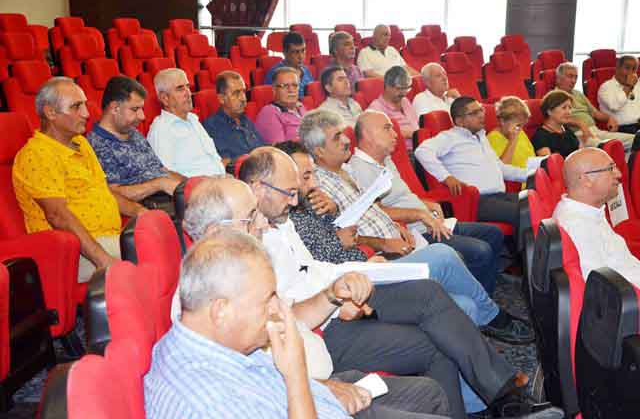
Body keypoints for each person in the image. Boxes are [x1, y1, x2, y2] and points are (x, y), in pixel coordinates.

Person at [238, 147, 562, 419]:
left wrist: (359, 268)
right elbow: (287, 307)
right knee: (434, 340)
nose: (295, 201)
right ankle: (505, 399)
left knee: (428, 292)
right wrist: (336, 300)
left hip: (335, 297)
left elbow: (312, 268)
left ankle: (506, 397)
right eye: (289, 192)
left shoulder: (280, 220)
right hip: (321, 327)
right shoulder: (244, 242)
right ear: (258, 188)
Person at [171, 177, 454, 418]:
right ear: (216, 233)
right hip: (306, 395)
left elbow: (269, 353)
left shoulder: (239, 277)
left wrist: (331, 295)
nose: (263, 224)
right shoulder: (205, 302)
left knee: (430, 392)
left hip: (314, 382)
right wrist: (314, 387)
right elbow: (259, 389)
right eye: (251, 217)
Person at [300, 109, 531, 340]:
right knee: (444, 254)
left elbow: (372, 211)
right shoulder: (318, 188)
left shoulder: (345, 171)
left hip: (400, 243)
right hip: (378, 261)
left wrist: (397, 226)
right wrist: (382, 243)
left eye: (343, 133)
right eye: (337, 137)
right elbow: (337, 240)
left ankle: (481, 327)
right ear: (319, 150)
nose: (346, 140)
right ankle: (495, 318)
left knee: (467, 305)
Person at [145, 231, 348, 419]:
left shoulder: (213, 340)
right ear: (221, 310)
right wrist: (297, 374)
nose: (276, 308)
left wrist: (320, 391)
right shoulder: (209, 405)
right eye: (267, 299)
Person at [349, 110, 505, 294]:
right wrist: (420, 214)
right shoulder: (359, 169)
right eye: (387, 128)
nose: (395, 134)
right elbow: (375, 212)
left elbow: (403, 197)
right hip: (416, 231)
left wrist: (428, 205)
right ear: (367, 134)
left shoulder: (385, 159)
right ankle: (475, 297)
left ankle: (480, 286)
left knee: (493, 233)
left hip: (429, 221)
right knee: (481, 250)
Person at [12, 77, 143, 282]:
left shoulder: (80, 143)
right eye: (76, 107)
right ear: (51, 112)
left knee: (164, 232)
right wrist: (103, 260)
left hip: (109, 237)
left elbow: (104, 192)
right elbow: (58, 216)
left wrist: (142, 213)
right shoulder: (37, 154)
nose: (86, 113)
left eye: (84, 105)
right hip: (75, 252)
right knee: (154, 248)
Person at [414, 97, 528, 236]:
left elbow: (501, 168)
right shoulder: (450, 137)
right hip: (478, 201)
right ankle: (530, 250)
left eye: (481, 110)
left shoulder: (481, 137)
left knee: (534, 203)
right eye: (474, 113)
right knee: (525, 212)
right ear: (459, 121)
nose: (481, 115)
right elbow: (422, 151)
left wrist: (533, 173)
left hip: (499, 196)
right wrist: (446, 177)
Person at [87, 75, 183, 205]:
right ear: (114, 108)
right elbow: (112, 194)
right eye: (135, 109)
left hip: (172, 196)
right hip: (151, 206)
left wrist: (190, 183)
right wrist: (159, 184)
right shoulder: (97, 145)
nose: (142, 116)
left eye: (141, 109)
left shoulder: (133, 133)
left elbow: (162, 170)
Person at [553, 147, 640, 287]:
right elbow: (601, 289)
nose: (618, 174)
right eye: (610, 169)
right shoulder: (577, 226)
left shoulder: (588, 211)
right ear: (586, 179)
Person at [147, 68, 225, 177]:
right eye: (180, 89)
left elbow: (213, 159)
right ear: (164, 98)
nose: (188, 93)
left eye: (188, 87)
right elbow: (165, 175)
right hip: (197, 185)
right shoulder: (161, 129)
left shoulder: (193, 120)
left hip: (220, 178)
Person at [555, 62, 635, 151]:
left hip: (595, 131)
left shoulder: (578, 94)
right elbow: (557, 118)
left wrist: (609, 118)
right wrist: (581, 124)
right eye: (570, 76)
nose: (574, 81)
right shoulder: (554, 96)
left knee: (635, 140)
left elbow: (595, 113)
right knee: (607, 147)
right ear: (559, 79)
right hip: (578, 135)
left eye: (576, 77)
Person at [202, 71, 265, 162]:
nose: (243, 98)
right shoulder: (212, 126)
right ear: (221, 99)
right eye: (236, 93)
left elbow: (262, 148)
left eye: (244, 92)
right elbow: (226, 163)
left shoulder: (246, 120)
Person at [532, 90, 593, 158]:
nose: (568, 112)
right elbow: (549, 162)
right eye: (564, 108)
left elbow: (579, 152)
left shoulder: (566, 130)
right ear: (549, 111)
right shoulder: (540, 137)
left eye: (570, 108)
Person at [255, 67, 307, 144]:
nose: (291, 90)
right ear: (274, 89)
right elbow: (280, 149)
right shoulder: (269, 113)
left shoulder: (300, 106)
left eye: (295, 85)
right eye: (284, 86)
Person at [368, 66, 419, 143]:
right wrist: (411, 134)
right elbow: (381, 135)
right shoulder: (376, 109)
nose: (403, 93)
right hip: (400, 148)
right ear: (387, 86)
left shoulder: (405, 101)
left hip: (420, 144)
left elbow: (416, 125)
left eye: (406, 88)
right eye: (399, 89)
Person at [487, 96, 536, 170]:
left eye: (523, 125)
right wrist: (513, 140)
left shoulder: (519, 131)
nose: (521, 129)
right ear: (502, 121)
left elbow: (532, 157)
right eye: (518, 125)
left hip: (530, 174)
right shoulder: (492, 139)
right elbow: (501, 169)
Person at [597, 55, 640, 135]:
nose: (631, 73)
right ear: (617, 68)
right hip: (621, 128)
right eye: (627, 68)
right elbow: (615, 106)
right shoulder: (606, 87)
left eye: (634, 69)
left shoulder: (637, 85)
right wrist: (628, 86)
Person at [265, 31, 313, 99]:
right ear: (285, 53)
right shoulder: (275, 73)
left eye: (303, 50)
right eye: (295, 52)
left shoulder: (306, 70)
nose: (301, 56)